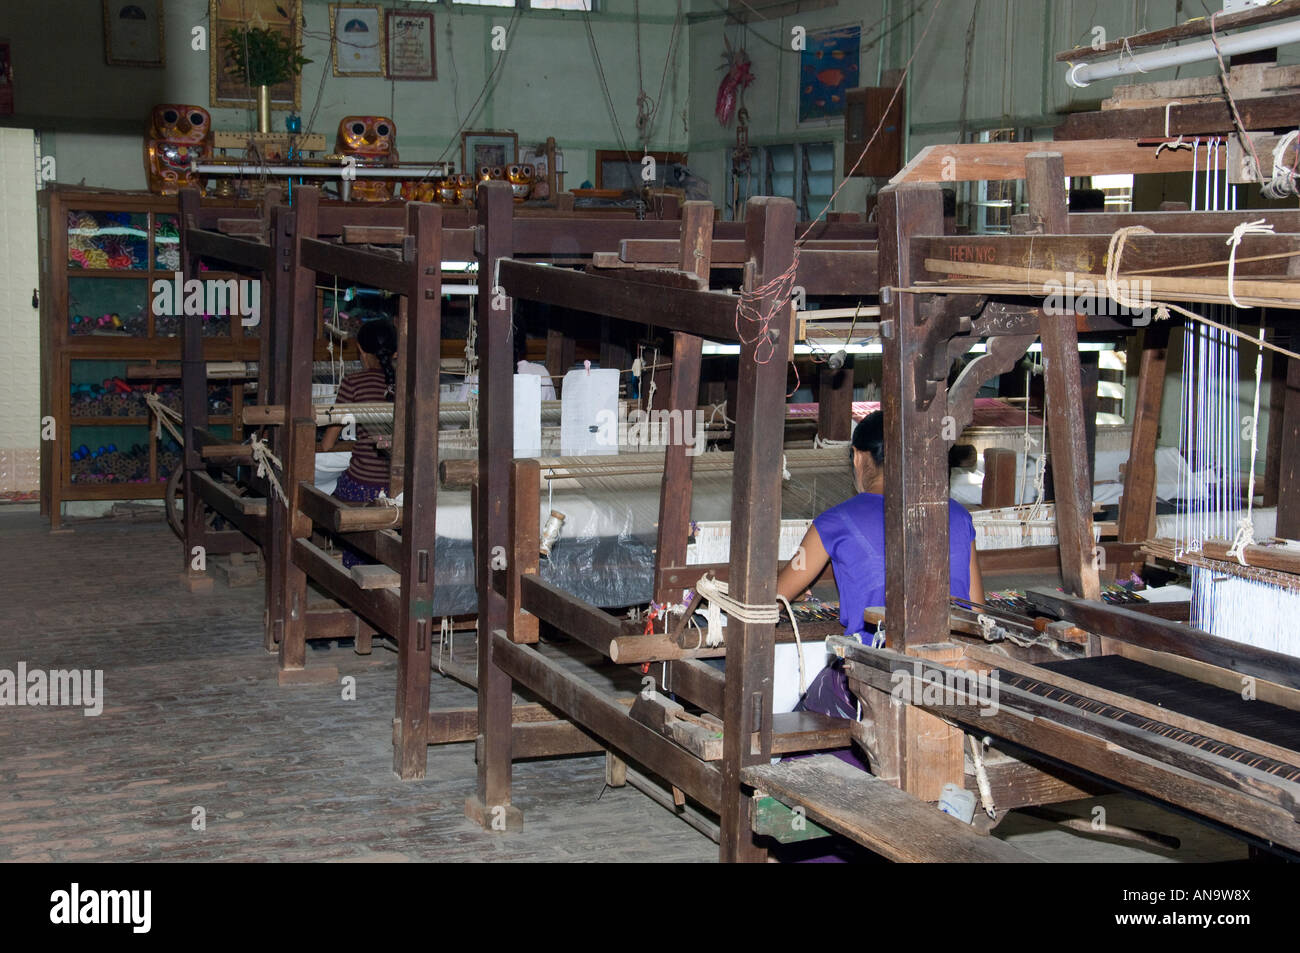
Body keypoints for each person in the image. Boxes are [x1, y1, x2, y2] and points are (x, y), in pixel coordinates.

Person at [775, 410, 984, 722]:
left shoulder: (834, 522)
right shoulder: (958, 515)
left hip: (874, 680)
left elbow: (775, 597)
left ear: (859, 458)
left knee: (795, 714)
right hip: (949, 677)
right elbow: (976, 612)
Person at [320, 318, 397, 567]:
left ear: (361, 350)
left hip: (363, 485)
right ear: (395, 352)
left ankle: (352, 565)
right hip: (400, 486)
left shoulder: (353, 383)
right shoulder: (409, 384)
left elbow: (327, 444)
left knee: (327, 499)